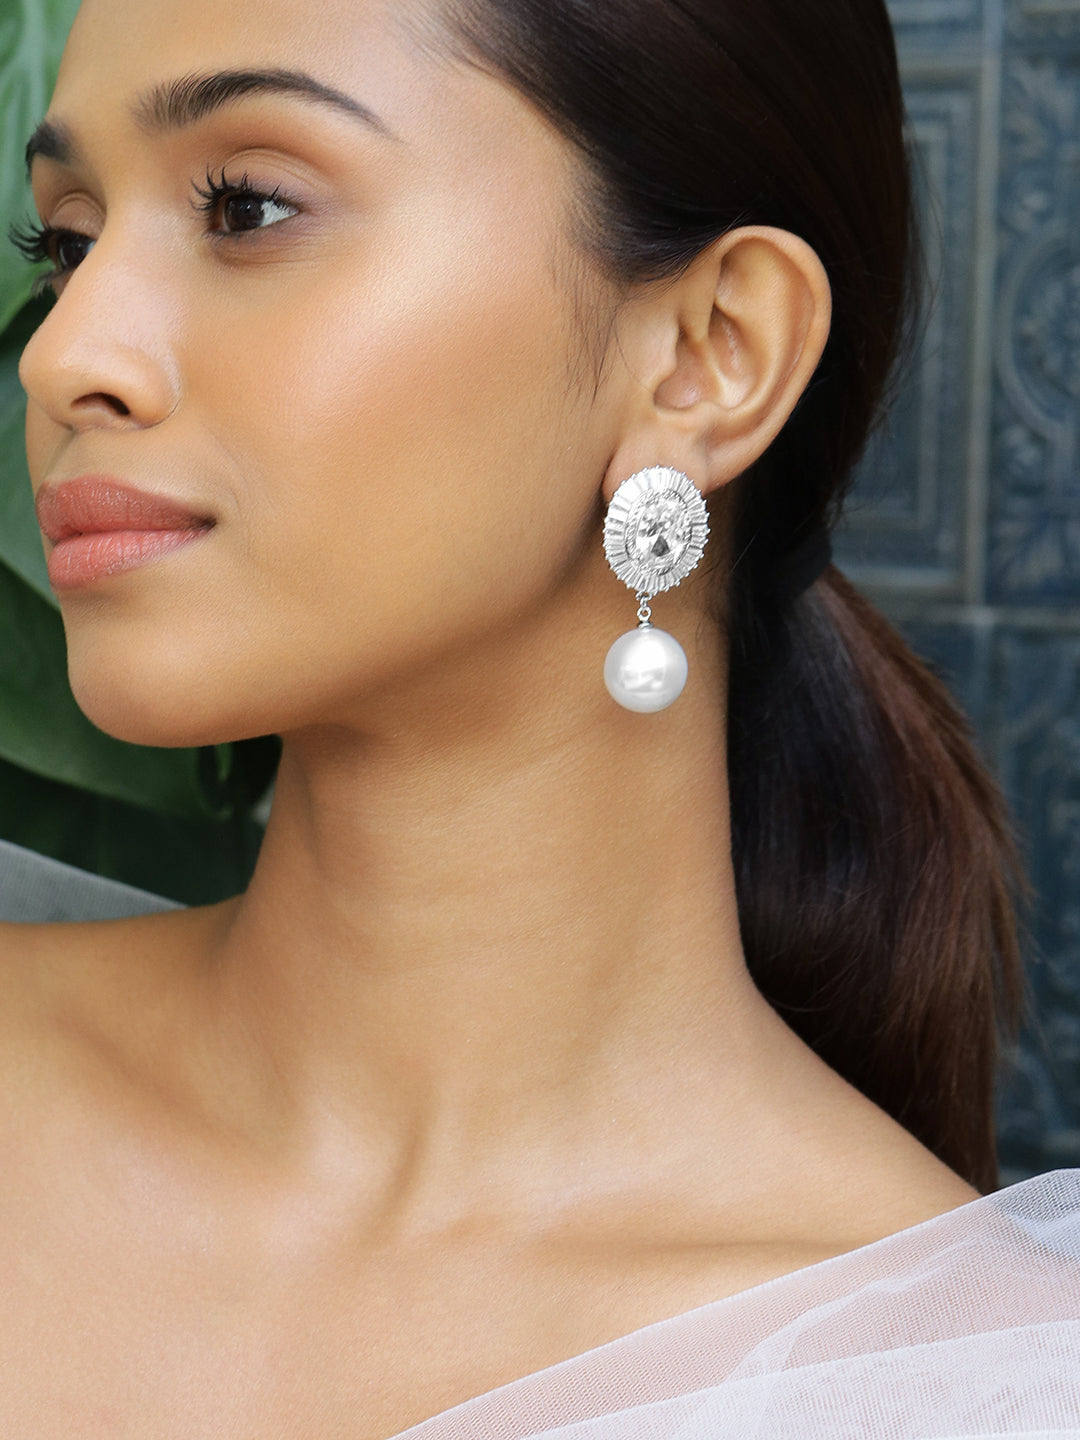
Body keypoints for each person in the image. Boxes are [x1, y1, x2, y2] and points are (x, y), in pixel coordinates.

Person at [1, 0, 1078, 1434]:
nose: (63, 353)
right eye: (66, 241)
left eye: (247, 207)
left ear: (709, 354)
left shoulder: (975, 1392)